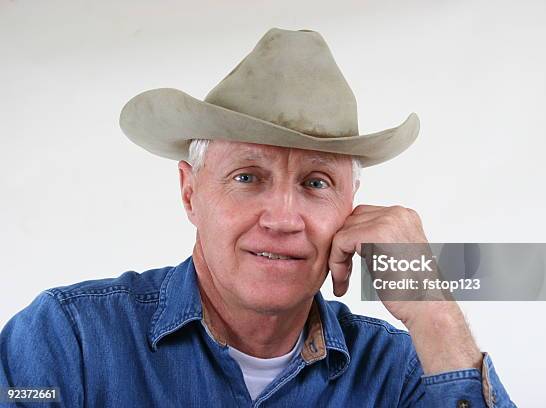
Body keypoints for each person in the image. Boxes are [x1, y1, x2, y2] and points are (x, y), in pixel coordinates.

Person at [0, 27, 516, 407]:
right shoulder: (67, 342)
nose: (284, 217)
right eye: (248, 177)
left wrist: (435, 312)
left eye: (316, 183)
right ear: (189, 193)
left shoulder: (402, 373)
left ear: (352, 207)